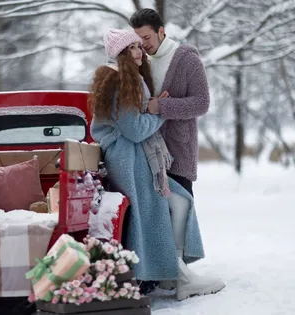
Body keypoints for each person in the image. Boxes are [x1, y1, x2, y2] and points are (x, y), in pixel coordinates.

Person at [89, 28, 223, 301]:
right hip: (130, 158)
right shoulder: (119, 81)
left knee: (177, 202)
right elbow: (135, 129)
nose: (139, 52)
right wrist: (160, 112)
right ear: (121, 54)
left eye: (140, 46)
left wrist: (156, 108)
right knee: (152, 214)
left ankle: (174, 272)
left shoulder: (124, 78)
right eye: (132, 49)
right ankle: (175, 276)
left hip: (133, 157)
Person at [129, 9, 225, 295]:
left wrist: (163, 107)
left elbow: (201, 103)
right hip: (148, 150)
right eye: (137, 39)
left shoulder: (186, 58)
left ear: (161, 31)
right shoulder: (139, 62)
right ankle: (162, 273)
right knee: (156, 213)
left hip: (178, 149)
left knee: (180, 209)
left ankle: (179, 274)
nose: (142, 44)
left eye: (146, 37)